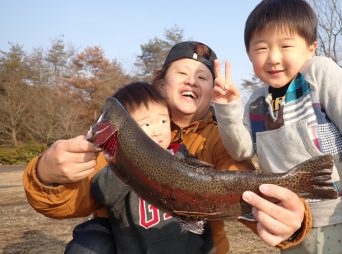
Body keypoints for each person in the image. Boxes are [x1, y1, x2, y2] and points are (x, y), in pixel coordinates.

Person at [23, 40, 312, 254]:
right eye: (182, 72)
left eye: (203, 77)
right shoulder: (127, 131)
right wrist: (47, 175)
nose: (192, 80)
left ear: (213, 91)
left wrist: (291, 218)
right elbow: (73, 201)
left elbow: (241, 182)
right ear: (160, 82)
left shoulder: (218, 138)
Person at [211, 0, 342, 253]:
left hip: (341, 215)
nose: (274, 58)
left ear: (311, 48)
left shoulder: (321, 74)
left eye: (286, 45)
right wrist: (226, 109)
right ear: (248, 54)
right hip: (289, 222)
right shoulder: (256, 100)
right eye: (261, 48)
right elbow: (241, 152)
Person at [90, 81, 217, 253]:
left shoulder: (184, 160)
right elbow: (104, 194)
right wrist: (127, 159)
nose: (157, 130)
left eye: (163, 120)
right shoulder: (119, 165)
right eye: (146, 124)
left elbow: (201, 219)